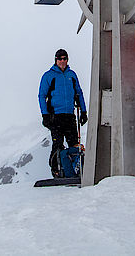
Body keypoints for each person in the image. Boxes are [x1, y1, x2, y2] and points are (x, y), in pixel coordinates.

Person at [38, 49, 88, 177]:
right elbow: (42, 96)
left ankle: (74, 171)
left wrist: (83, 111)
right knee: (58, 144)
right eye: (60, 59)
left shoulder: (72, 75)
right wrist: (45, 115)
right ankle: (56, 171)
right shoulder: (49, 76)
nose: (62, 61)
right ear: (56, 60)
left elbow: (79, 93)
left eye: (64, 58)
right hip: (55, 116)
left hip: (70, 115)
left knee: (74, 144)